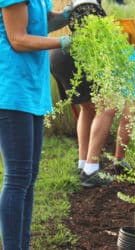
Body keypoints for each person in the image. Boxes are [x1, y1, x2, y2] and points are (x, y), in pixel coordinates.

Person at [0, 0, 72, 248]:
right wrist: (62, 43)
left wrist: (67, 16)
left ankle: (23, 244)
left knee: (29, 176)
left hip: (32, 88)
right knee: (18, 176)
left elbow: (43, 22)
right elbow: (18, 39)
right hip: (12, 89)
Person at [50, 48, 135, 188]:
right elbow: (128, 119)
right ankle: (90, 172)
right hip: (75, 56)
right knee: (108, 107)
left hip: (58, 55)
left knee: (88, 109)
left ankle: (83, 165)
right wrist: (119, 158)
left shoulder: (131, 55)